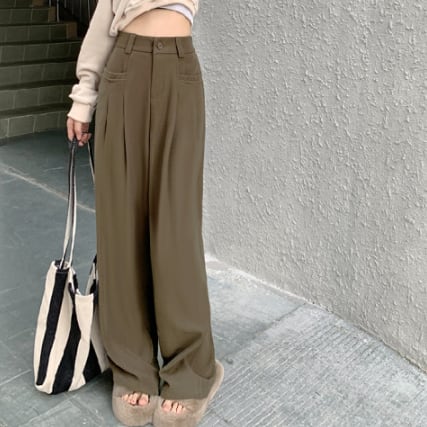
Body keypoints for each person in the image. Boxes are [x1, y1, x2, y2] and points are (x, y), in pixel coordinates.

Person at [65, 1, 224, 426]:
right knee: (120, 228)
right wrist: (84, 96)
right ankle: (132, 366)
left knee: (175, 230)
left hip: (178, 68)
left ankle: (193, 369)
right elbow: (105, 13)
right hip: (124, 66)